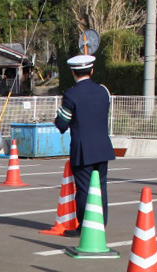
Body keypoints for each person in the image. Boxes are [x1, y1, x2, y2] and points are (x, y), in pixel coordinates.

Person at [54, 54, 116, 237]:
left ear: (73, 73)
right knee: (101, 188)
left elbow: (62, 123)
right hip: (103, 147)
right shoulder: (103, 91)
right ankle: (101, 223)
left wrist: (57, 119)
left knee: (84, 190)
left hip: (82, 150)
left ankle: (84, 226)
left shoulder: (71, 94)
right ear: (92, 70)